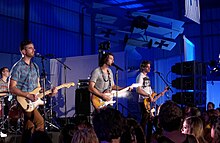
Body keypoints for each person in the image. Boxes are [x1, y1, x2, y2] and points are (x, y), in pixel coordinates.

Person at [9, 40, 57, 143]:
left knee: (29, 127)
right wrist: (27, 95)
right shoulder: (18, 67)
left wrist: (48, 92)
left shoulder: (35, 67)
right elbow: (12, 88)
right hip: (22, 101)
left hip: (32, 101)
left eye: (33, 48)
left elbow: (38, 87)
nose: (33, 50)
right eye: (30, 48)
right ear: (23, 51)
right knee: (40, 122)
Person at [136, 60, 167, 142]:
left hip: (149, 101)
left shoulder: (148, 78)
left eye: (150, 66)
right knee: (144, 121)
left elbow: (150, 92)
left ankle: (148, 139)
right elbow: (138, 90)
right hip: (143, 101)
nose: (149, 68)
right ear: (143, 67)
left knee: (150, 122)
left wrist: (160, 93)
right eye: (148, 67)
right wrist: (148, 95)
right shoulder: (140, 76)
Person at [0, 67, 10, 137]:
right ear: (3, 72)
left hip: (8, 101)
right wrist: (6, 94)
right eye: (7, 71)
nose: (8, 72)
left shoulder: (9, 83)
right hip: (1, 101)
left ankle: (7, 127)